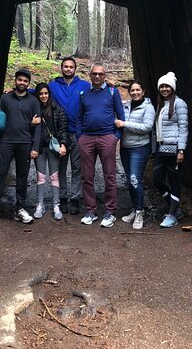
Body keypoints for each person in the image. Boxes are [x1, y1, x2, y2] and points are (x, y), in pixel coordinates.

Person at [0, 69, 40, 224]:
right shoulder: (5, 98)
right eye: (20, 80)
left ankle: (20, 208)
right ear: (15, 80)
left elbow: (38, 126)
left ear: (29, 83)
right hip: (6, 142)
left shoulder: (33, 101)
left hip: (25, 143)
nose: (22, 83)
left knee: (22, 176)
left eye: (25, 81)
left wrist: (35, 147)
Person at [77, 63, 125, 228]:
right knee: (87, 176)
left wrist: (115, 137)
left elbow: (121, 115)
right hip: (87, 138)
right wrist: (80, 137)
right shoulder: (84, 93)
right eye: (94, 74)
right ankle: (90, 211)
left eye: (100, 74)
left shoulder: (112, 92)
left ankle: (110, 211)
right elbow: (79, 117)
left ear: (105, 75)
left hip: (107, 137)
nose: (97, 76)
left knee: (109, 176)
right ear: (89, 75)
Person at [48, 57, 91, 215]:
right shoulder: (53, 85)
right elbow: (39, 92)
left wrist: (110, 87)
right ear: (61, 68)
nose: (68, 69)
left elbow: (97, 92)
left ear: (75, 69)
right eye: (65, 66)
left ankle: (75, 198)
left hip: (78, 133)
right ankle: (62, 197)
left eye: (71, 67)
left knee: (77, 168)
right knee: (61, 168)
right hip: (60, 133)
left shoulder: (84, 85)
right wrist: (17, 91)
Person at [114, 81, 155, 230]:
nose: (135, 92)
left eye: (138, 90)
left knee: (135, 179)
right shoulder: (126, 106)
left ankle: (140, 212)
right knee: (130, 180)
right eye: (132, 90)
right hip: (125, 148)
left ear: (143, 92)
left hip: (140, 148)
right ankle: (135, 208)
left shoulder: (148, 107)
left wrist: (125, 124)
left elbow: (147, 127)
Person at [152, 72, 189, 228]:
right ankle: (175, 208)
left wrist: (181, 150)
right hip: (161, 148)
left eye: (167, 86)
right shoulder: (161, 104)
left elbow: (183, 127)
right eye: (162, 86)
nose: (164, 89)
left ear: (172, 88)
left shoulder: (179, 104)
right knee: (157, 180)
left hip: (174, 149)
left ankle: (172, 215)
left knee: (174, 182)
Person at [31, 82, 69, 220]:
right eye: (40, 93)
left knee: (54, 176)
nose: (43, 96)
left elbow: (63, 128)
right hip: (39, 148)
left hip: (53, 147)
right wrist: (31, 123)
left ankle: (56, 205)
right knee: (40, 176)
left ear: (49, 94)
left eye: (45, 93)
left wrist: (63, 144)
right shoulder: (33, 109)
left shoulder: (56, 109)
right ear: (37, 94)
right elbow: (27, 128)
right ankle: (40, 204)